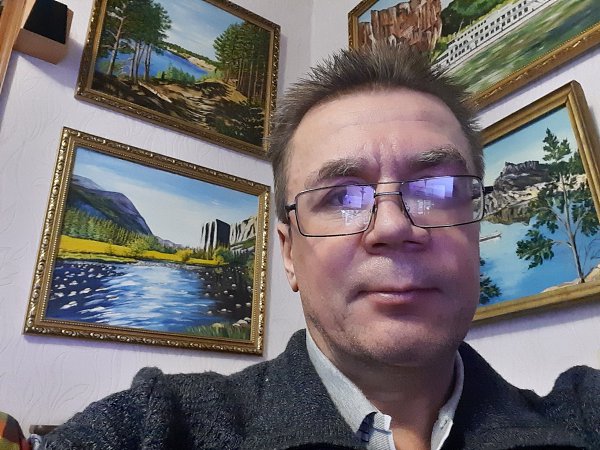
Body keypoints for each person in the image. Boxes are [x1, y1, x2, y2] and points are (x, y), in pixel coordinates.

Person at [42, 44, 599, 450]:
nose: (391, 227)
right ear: (288, 254)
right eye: (342, 196)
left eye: (434, 189)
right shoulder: (159, 427)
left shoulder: (583, 417)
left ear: (475, 228)